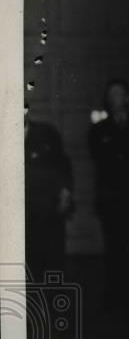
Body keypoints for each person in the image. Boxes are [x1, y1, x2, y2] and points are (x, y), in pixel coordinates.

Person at [88, 78, 129, 338]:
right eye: (111, 93)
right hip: (112, 200)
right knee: (115, 248)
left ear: (128, 98)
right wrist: (127, 154)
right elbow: (103, 158)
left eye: (120, 93)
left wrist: (125, 155)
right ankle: (115, 298)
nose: (115, 97)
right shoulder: (98, 130)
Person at [24, 114, 74, 278]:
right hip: (18, 217)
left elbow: (63, 165)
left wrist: (66, 194)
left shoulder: (47, 132)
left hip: (48, 214)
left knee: (53, 269)